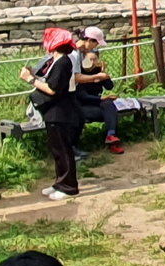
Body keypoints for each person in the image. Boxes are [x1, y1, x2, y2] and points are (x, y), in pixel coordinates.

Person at [21, 28, 83, 200]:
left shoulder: (63, 62)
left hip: (60, 111)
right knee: (57, 150)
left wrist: (30, 80)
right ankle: (60, 183)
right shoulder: (55, 60)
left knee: (63, 150)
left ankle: (69, 187)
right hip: (53, 111)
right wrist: (33, 75)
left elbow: (52, 89)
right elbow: (47, 80)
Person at [77, 47, 123, 155]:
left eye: (95, 59)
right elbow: (83, 96)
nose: (93, 63)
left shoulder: (98, 71)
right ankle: (112, 140)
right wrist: (102, 98)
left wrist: (103, 73)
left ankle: (111, 136)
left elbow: (109, 86)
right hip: (83, 106)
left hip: (97, 104)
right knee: (110, 112)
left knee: (109, 105)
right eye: (90, 60)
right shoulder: (79, 74)